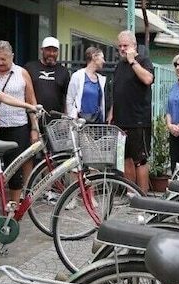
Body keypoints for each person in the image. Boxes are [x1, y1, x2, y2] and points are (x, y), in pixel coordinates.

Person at [0, 40, 38, 203]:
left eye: (4, 59)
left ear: (12, 56)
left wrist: (34, 127)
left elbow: (31, 99)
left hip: (17, 126)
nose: (0, 62)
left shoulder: (21, 73)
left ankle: (13, 205)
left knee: (15, 168)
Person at [110, 30, 154, 192]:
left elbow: (148, 79)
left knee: (140, 160)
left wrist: (132, 62)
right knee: (126, 159)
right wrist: (111, 114)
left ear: (134, 46)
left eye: (125, 45)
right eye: (120, 45)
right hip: (121, 120)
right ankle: (131, 194)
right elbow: (118, 92)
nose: (122, 48)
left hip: (138, 120)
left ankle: (143, 198)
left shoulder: (143, 61)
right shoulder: (119, 66)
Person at [24, 36, 70, 114]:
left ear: (58, 52)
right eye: (48, 50)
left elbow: (67, 97)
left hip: (56, 120)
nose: (51, 54)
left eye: (54, 51)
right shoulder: (30, 67)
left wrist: (66, 117)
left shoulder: (64, 71)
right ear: (42, 50)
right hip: (32, 116)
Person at [66, 47, 107, 123]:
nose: (104, 61)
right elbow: (70, 99)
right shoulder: (77, 76)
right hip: (80, 122)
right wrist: (72, 118)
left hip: (97, 122)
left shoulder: (101, 79)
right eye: (102, 58)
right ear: (94, 57)